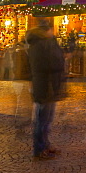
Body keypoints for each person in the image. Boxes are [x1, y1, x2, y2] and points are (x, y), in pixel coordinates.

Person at [26, 17, 66, 160]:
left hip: (47, 85)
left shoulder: (41, 44)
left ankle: (45, 145)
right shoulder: (41, 45)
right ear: (46, 31)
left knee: (46, 119)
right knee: (42, 119)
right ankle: (39, 149)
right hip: (45, 86)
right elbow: (52, 63)